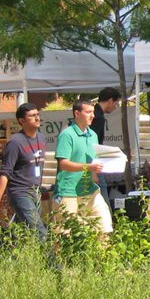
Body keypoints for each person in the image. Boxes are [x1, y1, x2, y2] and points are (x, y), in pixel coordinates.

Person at [53, 100, 113, 235]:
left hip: (90, 190)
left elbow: (92, 160)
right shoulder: (67, 135)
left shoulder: (93, 135)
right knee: (64, 235)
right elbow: (63, 164)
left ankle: (102, 256)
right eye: (88, 112)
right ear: (77, 113)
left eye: (93, 112)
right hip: (68, 191)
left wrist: (96, 173)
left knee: (104, 228)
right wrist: (90, 167)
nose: (92, 115)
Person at [0, 103, 48, 240]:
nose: (37, 118)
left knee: (22, 231)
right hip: (20, 192)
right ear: (21, 121)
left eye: (37, 114)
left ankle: (10, 257)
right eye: (32, 116)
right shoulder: (15, 143)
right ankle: (53, 262)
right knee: (39, 230)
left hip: (36, 191)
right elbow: (5, 173)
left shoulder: (41, 138)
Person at [91, 86, 121, 205]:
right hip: (93, 160)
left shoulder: (97, 114)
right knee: (101, 192)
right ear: (110, 100)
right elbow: (93, 142)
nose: (115, 106)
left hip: (92, 160)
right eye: (116, 103)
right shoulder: (97, 117)